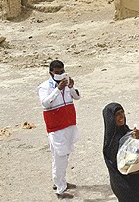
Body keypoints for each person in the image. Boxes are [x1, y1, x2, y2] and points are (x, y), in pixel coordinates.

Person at [37, 60, 81, 199]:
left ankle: (60, 182)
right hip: (56, 128)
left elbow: (77, 97)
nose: (61, 74)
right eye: (58, 72)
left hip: (68, 124)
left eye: (62, 71)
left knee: (64, 155)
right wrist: (58, 90)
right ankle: (60, 190)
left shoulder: (66, 83)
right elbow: (45, 103)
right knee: (60, 157)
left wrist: (71, 87)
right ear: (51, 72)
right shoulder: (44, 87)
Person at [102, 103, 139, 202]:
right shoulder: (110, 143)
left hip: (134, 179)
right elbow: (120, 160)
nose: (121, 116)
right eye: (117, 114)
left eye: (122, 112)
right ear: (111, 119)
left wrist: (137, 139)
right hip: (122, 185)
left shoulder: (127, 132)